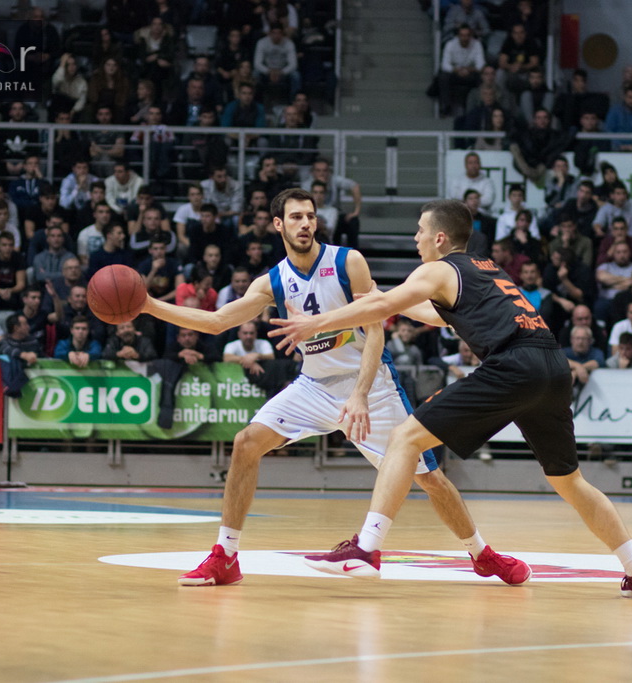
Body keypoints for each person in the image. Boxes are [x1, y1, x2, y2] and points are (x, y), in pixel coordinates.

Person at [269, 198, 632, 598]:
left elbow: (386, 308)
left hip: (512, 365)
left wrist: (315, 322)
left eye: (420, 230)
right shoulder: (486, 267)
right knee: (569, 481)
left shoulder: (437, 269)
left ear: (440, 238)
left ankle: (366, 549)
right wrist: (380, 294)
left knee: (405, 438)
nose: (415, 237)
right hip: (552, 366)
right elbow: (437, 314)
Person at [141, 189, 528, 589]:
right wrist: (150, 306)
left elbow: (376, 331)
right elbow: (217, 321)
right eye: (295, 217)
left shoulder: (347, 262)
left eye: (310, 216)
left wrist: (359, 394)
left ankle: (482, 554)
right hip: (313, 386)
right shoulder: (273, 281)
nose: (305, 223)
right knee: (245, 443)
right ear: (279, 225)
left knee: (428, 478)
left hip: (371, 385)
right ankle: (225, 557)